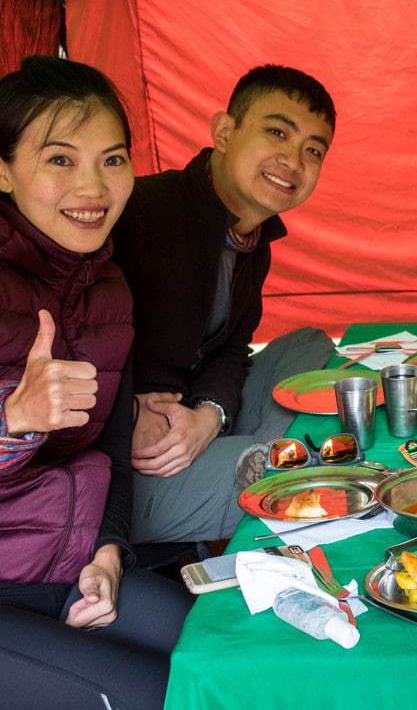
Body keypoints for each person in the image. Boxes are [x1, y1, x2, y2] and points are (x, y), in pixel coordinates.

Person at [0, 56, 191, 709]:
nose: (93, 186)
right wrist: (12, 424)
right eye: (60, 160)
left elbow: (108, 452)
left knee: (228, 655)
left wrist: (109, 552)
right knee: (158, 698)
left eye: (112, 160)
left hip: (63, 561)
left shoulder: (107, 286)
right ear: (2, 169)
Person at [113, 66, 338, 544]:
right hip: (129, 460)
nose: (293, 160)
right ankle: (268, 459)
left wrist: (209, 416)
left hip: (190, 420)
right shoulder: (140, 212)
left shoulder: (253, 239)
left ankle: (257, 449)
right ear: (224, 131)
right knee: (300, 483)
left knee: (308, 345)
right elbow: (75, 339)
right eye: (277, 132)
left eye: (313, 150)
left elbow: (232, 349)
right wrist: (127, 413)